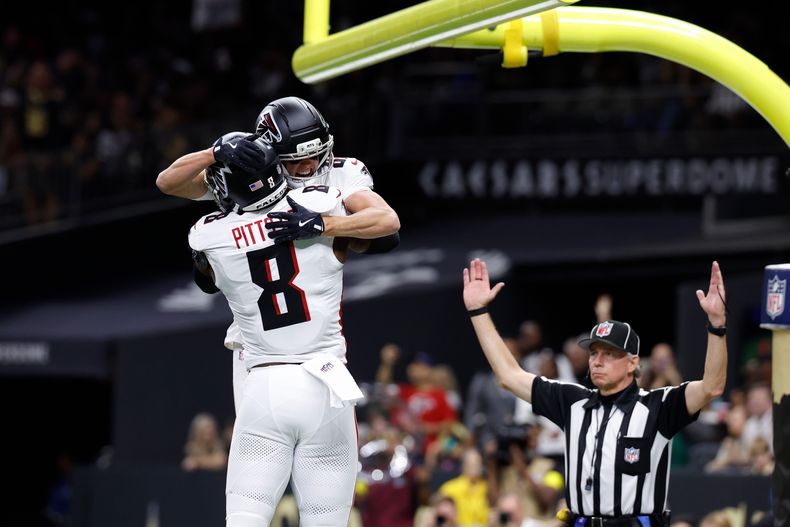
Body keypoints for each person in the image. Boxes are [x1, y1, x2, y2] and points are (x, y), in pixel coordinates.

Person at [156, 95, 400, 411]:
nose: (309, 166)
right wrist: (213, 153)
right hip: (259, 334)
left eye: (316, 155)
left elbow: (387, 222)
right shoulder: (251, 171)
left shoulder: (341, 172)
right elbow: (168, 183)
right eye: (296, 160)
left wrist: (322, 224)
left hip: (312, 322)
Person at [462, 258, 728, 523]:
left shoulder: (657, 405)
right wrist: (478, 312)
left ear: (632, 363)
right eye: (593, 353)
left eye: (609, 353)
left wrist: (716, 326)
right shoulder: (572, 401)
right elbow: (509, 376)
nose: (597, 361)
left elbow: (712, 387)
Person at [187, 134, 363, 526]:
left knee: (245, 518)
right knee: (326, 521)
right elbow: (384, 229)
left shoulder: (208, 233)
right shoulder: (322, 204)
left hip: (265, 382)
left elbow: (206, 277)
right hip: (327, 383)